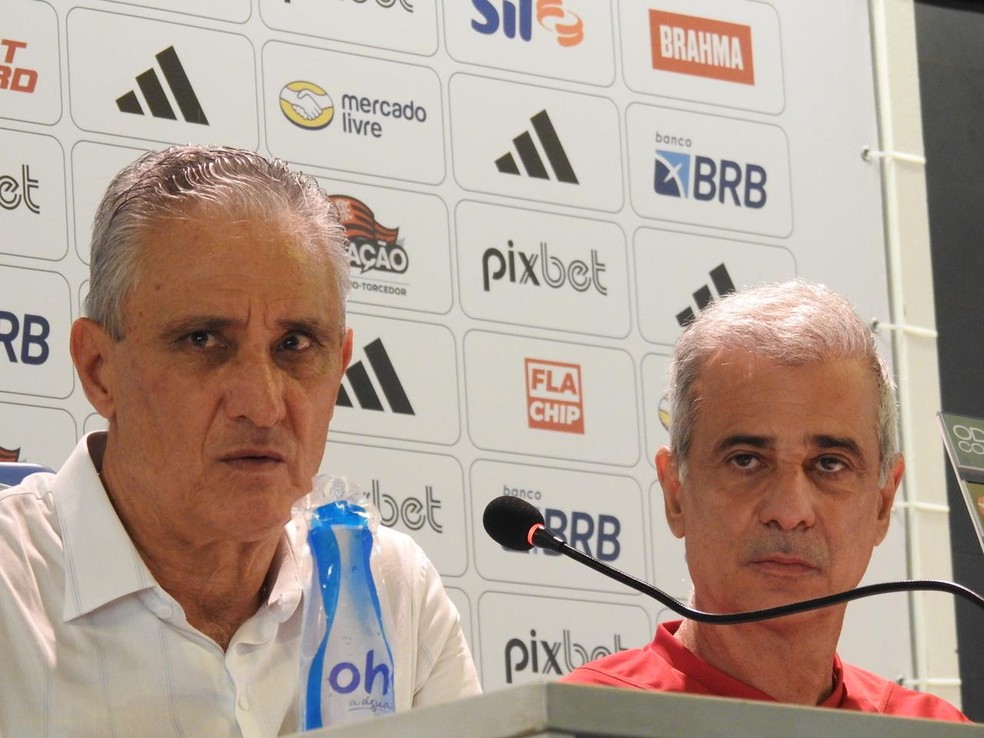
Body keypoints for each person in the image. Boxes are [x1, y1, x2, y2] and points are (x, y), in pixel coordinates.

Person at [0, 145, 481, 736]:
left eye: (296, 344)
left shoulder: (388, 585)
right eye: (204, 340)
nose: (261, 404)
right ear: (99, 369)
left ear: (339, 368)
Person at [562, 280, 970, 722]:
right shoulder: (578, 720)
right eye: (746, 461)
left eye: (829, 464)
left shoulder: (937, 730)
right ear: (675, 492)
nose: (790, 512)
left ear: (883, 503)